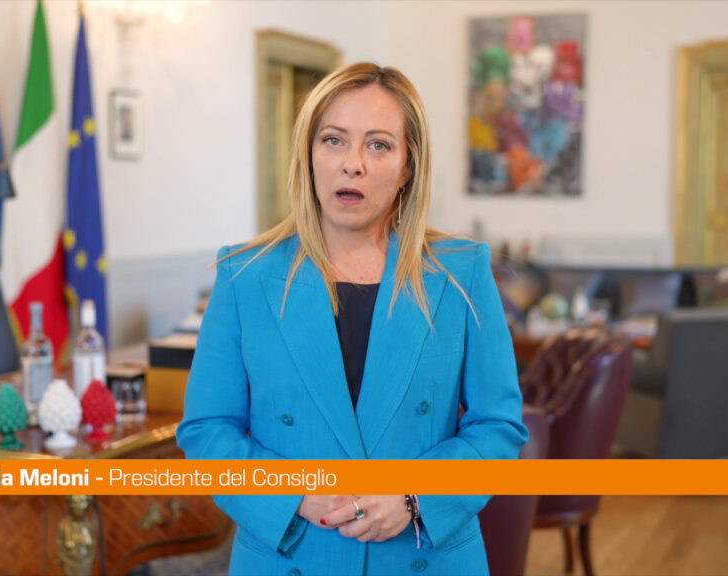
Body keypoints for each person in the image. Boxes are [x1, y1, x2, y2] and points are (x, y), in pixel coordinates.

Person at [178, 62, 527, 576]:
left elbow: (498, 426)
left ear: (408, 167)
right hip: (292, 556)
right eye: (334, 140)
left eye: (379, 145)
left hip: (423, 558)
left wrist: (415, 497)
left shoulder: (461, 273)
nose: (352, 164)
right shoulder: (244, 275)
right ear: (309, 154)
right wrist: (294, 493)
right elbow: (208, 430)